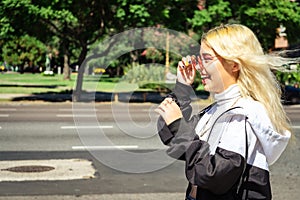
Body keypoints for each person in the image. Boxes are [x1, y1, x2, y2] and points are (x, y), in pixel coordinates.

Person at [155, 24, 292, 200]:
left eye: (207, 59)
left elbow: (214, 176)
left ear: (234, 64)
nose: (199, 67)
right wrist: (182, 88)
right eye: (200, 59)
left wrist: (179, 125)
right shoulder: (220, 108)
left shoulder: (242, 115)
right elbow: (172, 139)